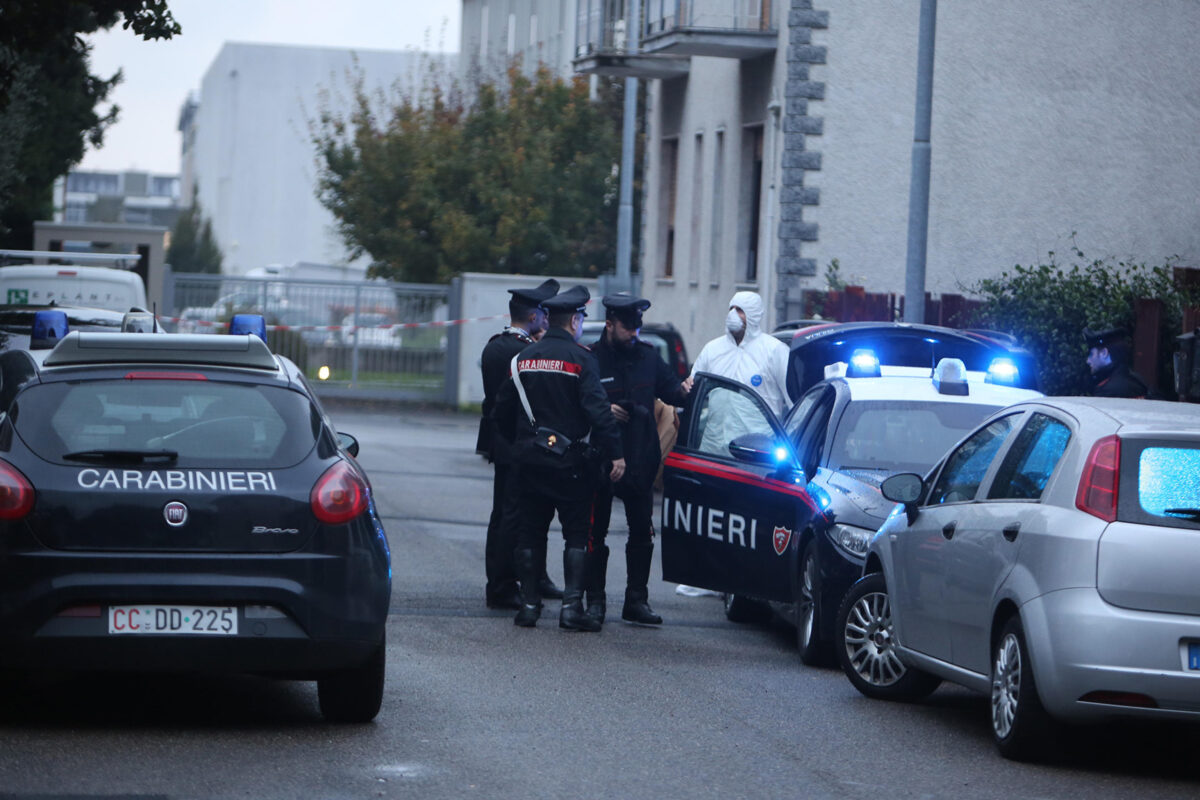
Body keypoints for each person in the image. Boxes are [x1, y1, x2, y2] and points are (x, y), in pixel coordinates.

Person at [494, 285, 626, 631]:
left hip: (529, 462)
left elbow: (500, 412)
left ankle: (529, 606)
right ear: (575, 321)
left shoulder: (522, 359)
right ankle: (570, 610)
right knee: (577, 535)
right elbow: (600, 413)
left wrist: (521, 443)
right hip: (572, 465)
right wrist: (616, 454)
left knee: (530, 534)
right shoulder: (582, 359)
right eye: (582, 317)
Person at [585, 294, 692, 626]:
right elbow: (577, 404)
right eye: (627, 328)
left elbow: (673, 391)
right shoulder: (592, 359)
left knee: (642, 532)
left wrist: (688, 388)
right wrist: (603, 410)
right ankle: (595, 602)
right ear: (610, 324)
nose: (634, 333)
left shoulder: (648, 356)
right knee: (595, 532)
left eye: (637, 327)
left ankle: (636, 600)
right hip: (602, 457)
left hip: (640, 457)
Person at [677, 290, 791, 598]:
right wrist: (687, 386)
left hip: (758, 452)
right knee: (713, 516)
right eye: (731, 308)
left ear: (752, 316)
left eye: (739, 310)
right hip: (715, 446)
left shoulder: (774, 352)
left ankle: (743, 579)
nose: (732, 315)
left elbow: (791, 399)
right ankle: (706, 576)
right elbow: (692, 385)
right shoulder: (713, 350)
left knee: (749, 518)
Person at [476, 278, 563, 609]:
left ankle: (525, 577)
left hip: (503, 444)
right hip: (522, 445)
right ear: (533, 317)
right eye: (543, 313)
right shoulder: (525, 352)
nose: (546, 319)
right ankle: (504, 585)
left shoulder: (495, 345)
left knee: (508, 514)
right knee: (516, 516)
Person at [1084, 326, 1153, 398]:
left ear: (1104, 353)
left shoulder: (1108, 391)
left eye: (1091, 354)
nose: (1088, 361)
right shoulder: (1138, 381)